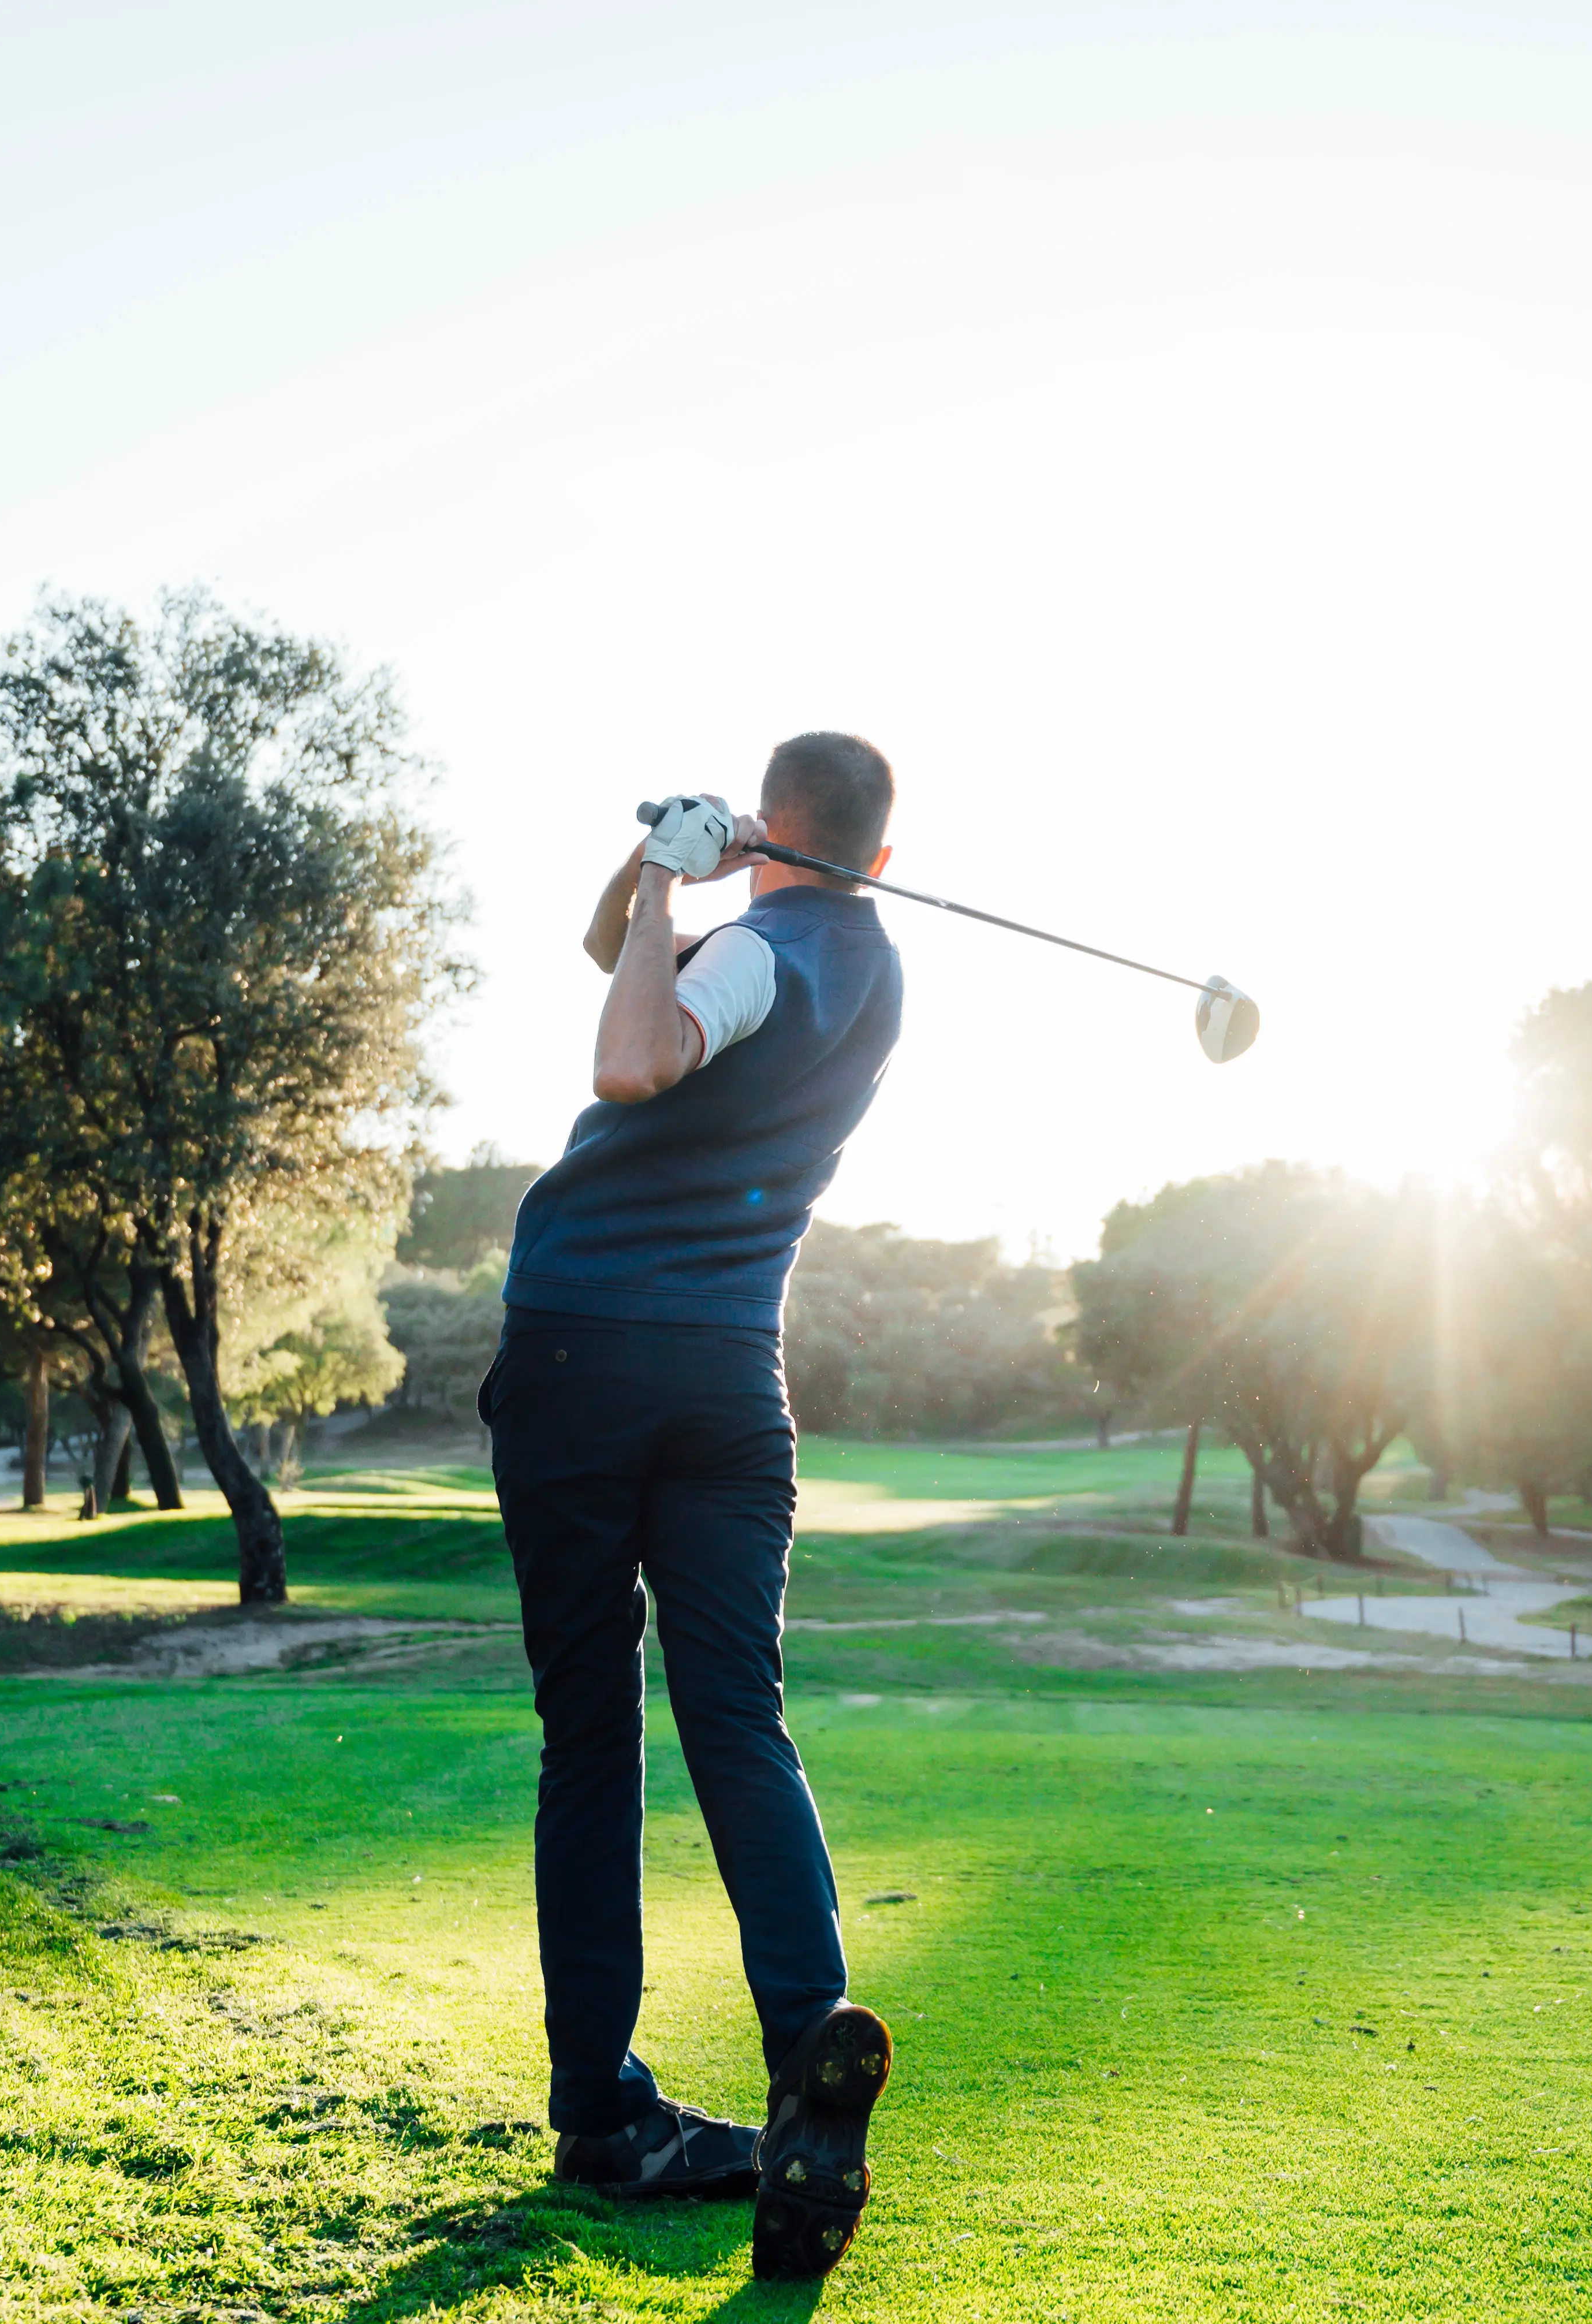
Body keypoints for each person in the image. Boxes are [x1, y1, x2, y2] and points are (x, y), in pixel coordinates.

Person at [481, 732, 904, 2283]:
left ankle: (603, 2111)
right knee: (741, 1717)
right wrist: (663, 872)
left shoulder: (760, 961)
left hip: (590, 1354)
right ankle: (810, 2055)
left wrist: (676, 867)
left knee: (593, 1734)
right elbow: (619, 954)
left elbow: (633, 1049)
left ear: (777, 822)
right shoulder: (869, 964)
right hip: (736, 1377)